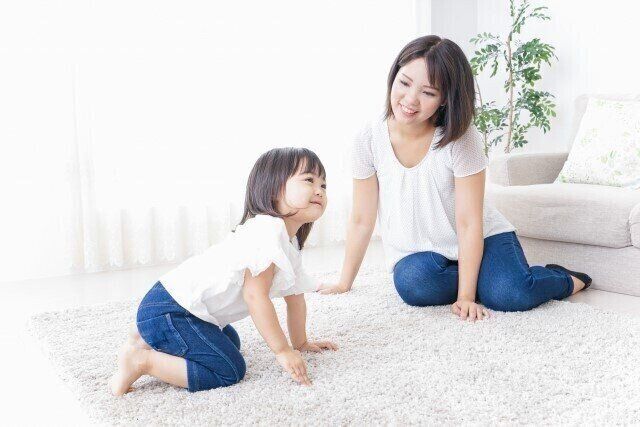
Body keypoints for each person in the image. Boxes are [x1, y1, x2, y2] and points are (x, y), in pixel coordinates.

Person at [319, 35, 591, 321]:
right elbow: (361, 219)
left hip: (483, 237)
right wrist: (344, 283)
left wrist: (465, 298)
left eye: (428, 92)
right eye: (405, 83)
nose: (410, 100)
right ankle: (490, 279)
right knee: (413, 284)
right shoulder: (368, 139)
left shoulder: (460, 139)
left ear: (445, 99)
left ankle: (563, 278)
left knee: (510, 295)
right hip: (423, 252)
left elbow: (469, 222)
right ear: (393, 76)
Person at [109, 147, 337, 395]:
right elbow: (255, 296)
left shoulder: (289, 242)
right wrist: (283, 351)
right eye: (309, 180)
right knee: (228, 369)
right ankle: (140, 360)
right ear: (273, 190)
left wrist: (300, 343)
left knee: (231, 344)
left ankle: (149, 339)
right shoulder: (267, 231)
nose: (319, 190)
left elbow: (295, 298)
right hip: (171, 310)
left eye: (323, 185)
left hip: (184, 311)